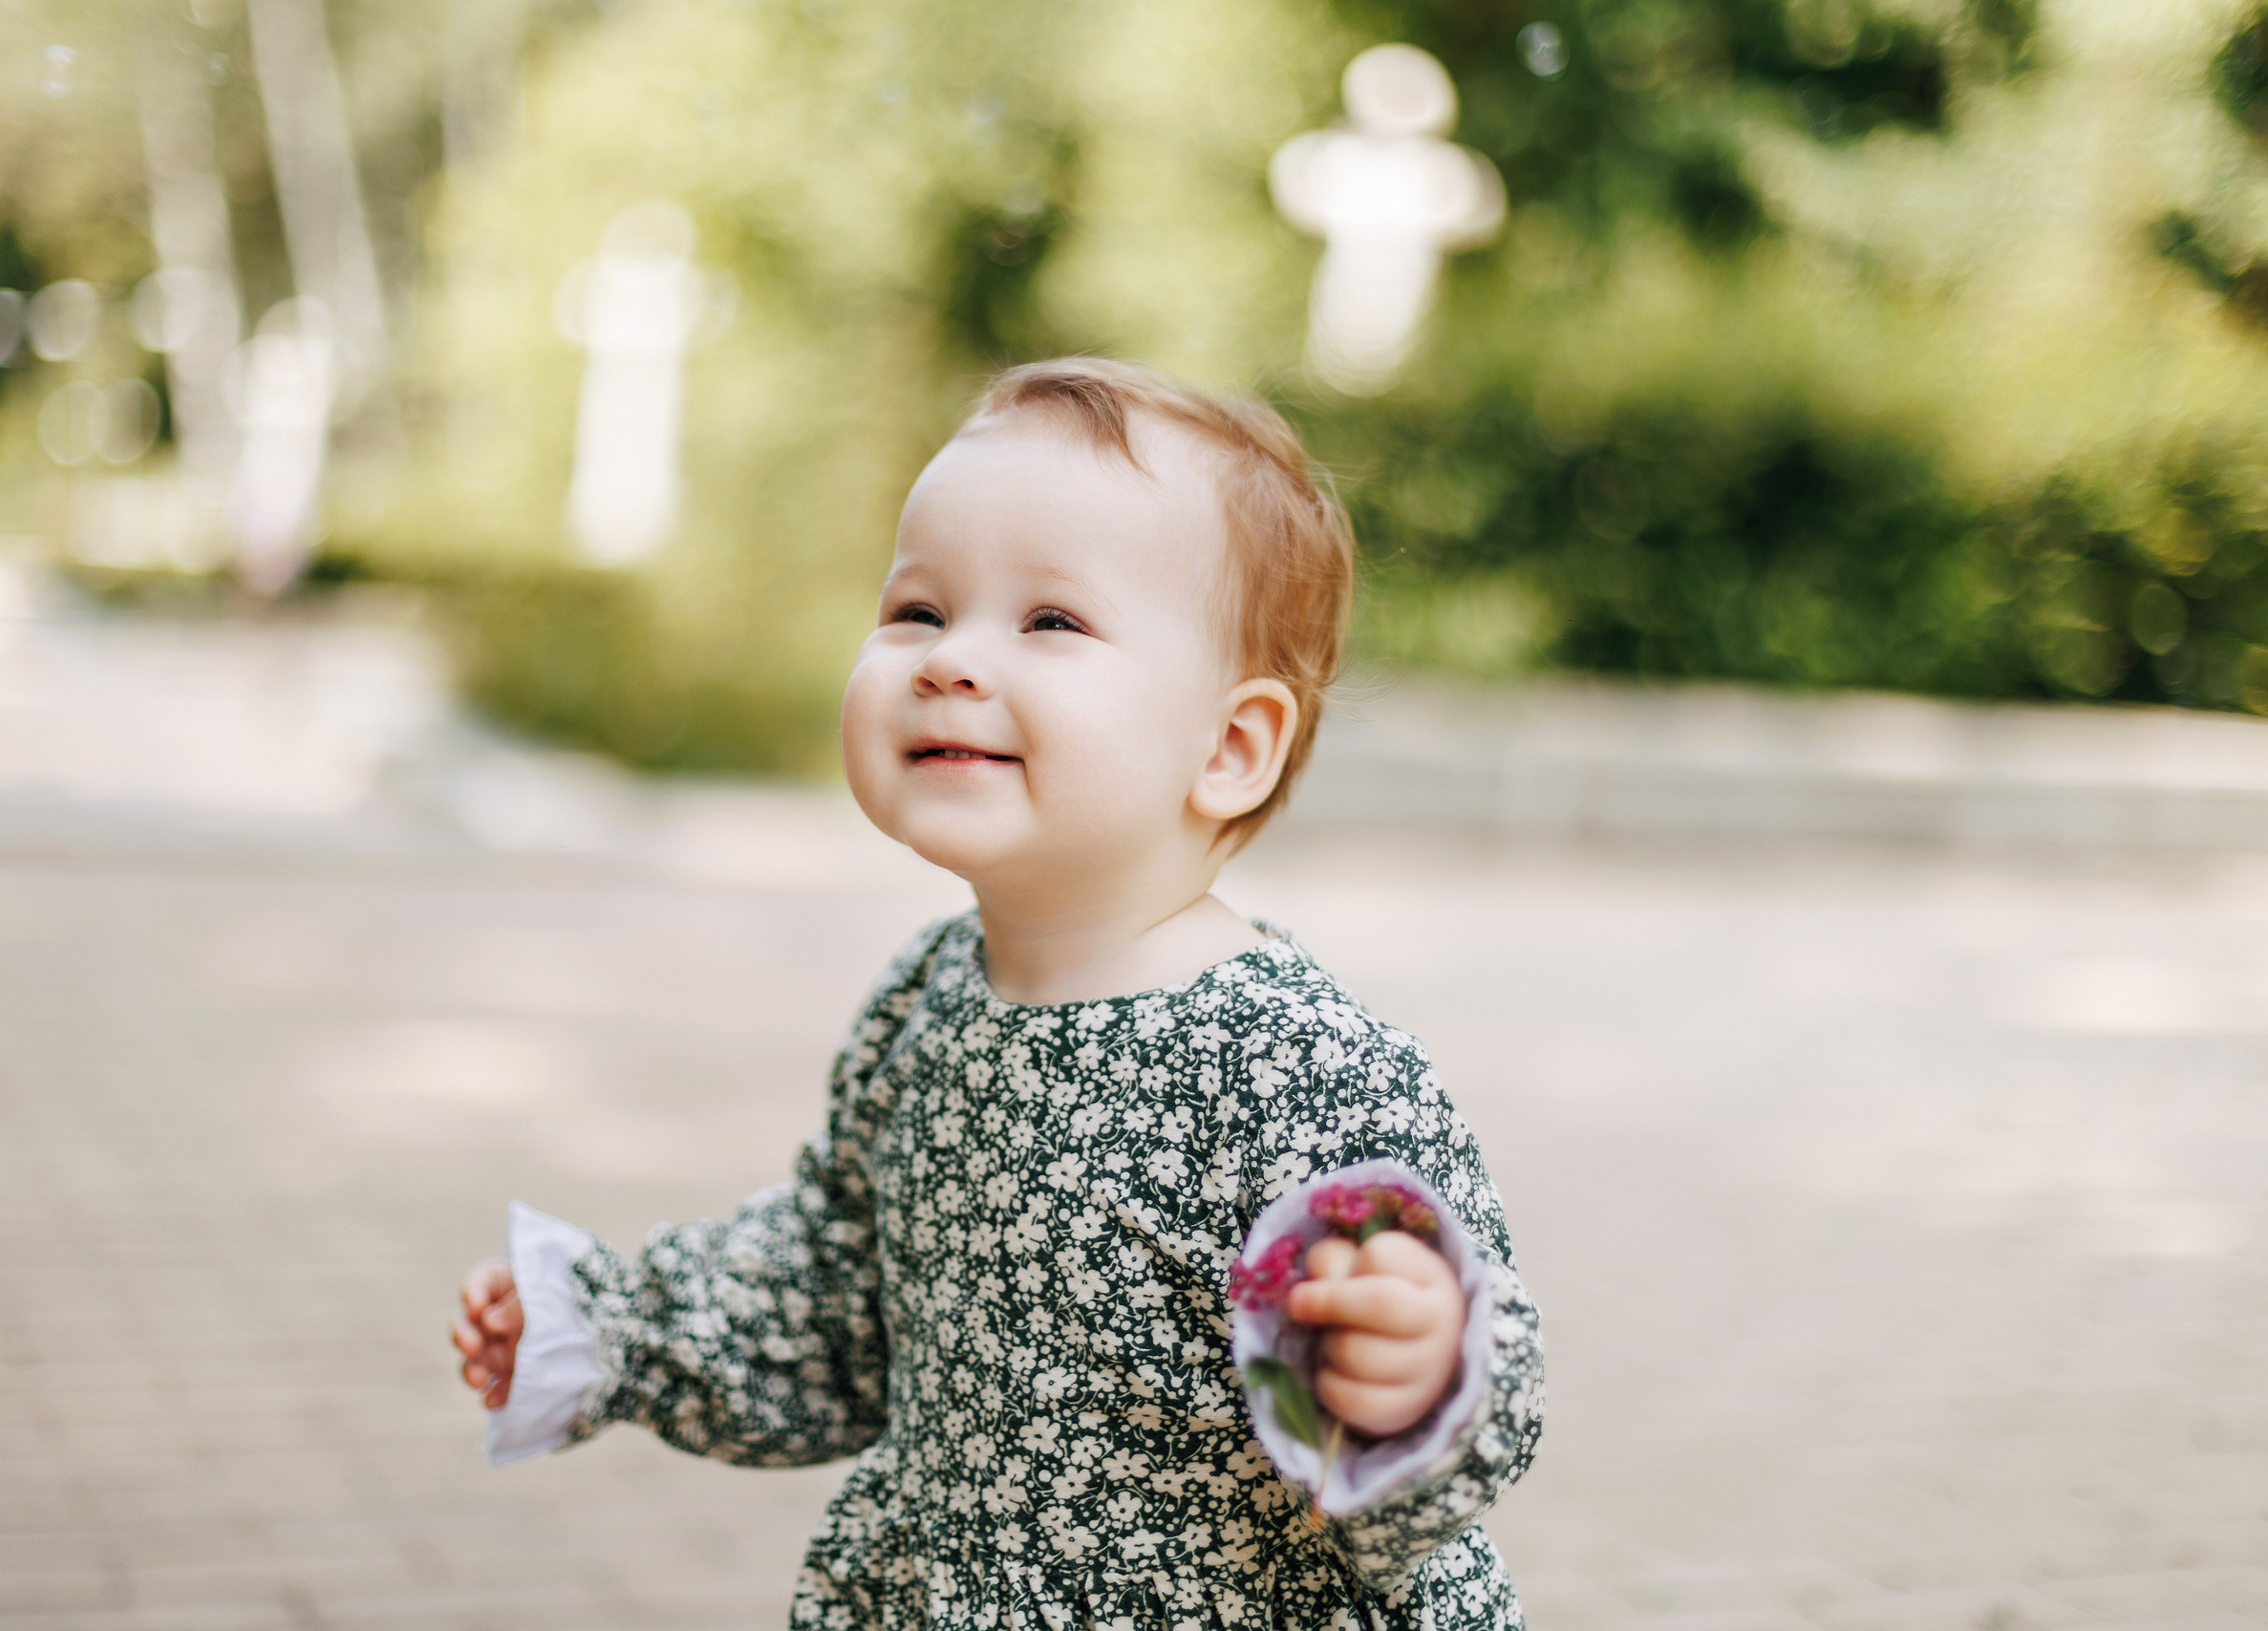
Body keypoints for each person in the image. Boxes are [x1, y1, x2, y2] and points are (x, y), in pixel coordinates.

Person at [450, 358, 1544, 1627]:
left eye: (1052, 624)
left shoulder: (1290, 1062)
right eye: (918, 609)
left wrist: (1416, 1375)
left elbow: (1453, 1434)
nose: (952, 660)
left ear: (1229, 748)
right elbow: (832, 1295)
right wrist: (621, 1331)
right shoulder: (928, 1000)